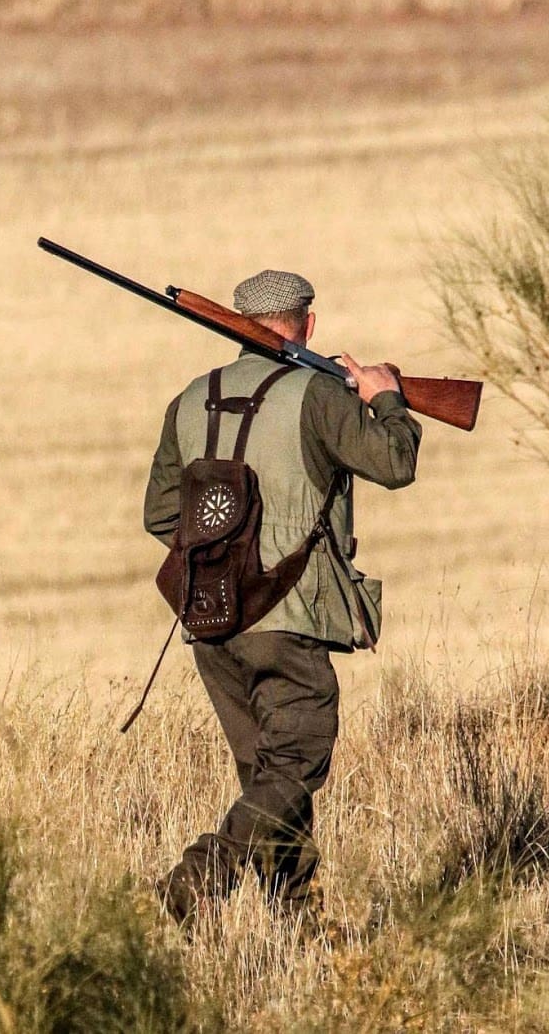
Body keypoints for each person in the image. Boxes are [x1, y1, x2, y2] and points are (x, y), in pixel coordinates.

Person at [141, 267, 421, 925]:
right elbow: (395, 463)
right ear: (308, 326)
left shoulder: (190, 398)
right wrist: (384, 398)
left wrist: (224, 544)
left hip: (211, 621)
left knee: (269, 779)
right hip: (289, 616)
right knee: (295, 761)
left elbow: (161, 515)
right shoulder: (317, 396)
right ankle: (201, 873)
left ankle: (296, 923)